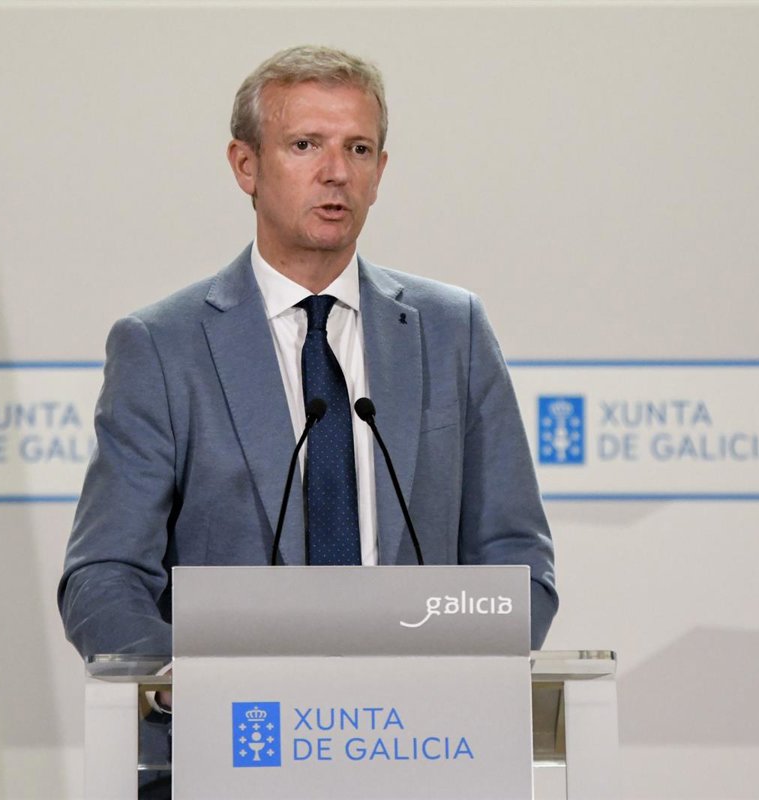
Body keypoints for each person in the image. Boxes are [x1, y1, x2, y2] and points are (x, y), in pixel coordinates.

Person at [58, 44, 557, 797]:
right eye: (304, 145)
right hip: (228, 755)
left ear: (381, 171)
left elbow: (517, 558)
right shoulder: (162, 346)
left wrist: (465, 678)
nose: (336, 172)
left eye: (358, 149)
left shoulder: (452, 330)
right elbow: (103, 576)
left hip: (421, 753)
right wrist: (181, 682)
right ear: (245, 166)